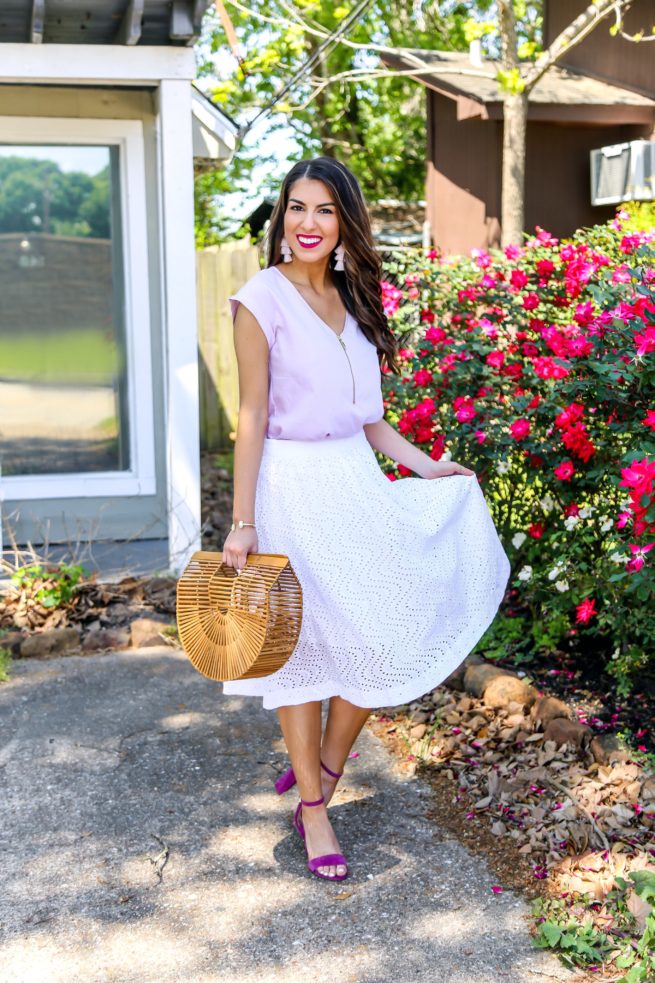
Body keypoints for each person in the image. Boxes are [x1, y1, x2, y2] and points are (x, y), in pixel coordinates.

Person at [221, 157, 511, 883]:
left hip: (354, 479)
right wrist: (241, 520)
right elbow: (250, 416)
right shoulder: (260, 298)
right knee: (299, 650)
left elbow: (372, 421)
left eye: (323, 210)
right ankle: (314, 807)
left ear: (345, 221)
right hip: (290, 484)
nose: (307, 224)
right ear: (280, 218)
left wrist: (427, 467)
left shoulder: (354, 302)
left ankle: (323, 762)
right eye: (295, 208)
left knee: (377, 631)